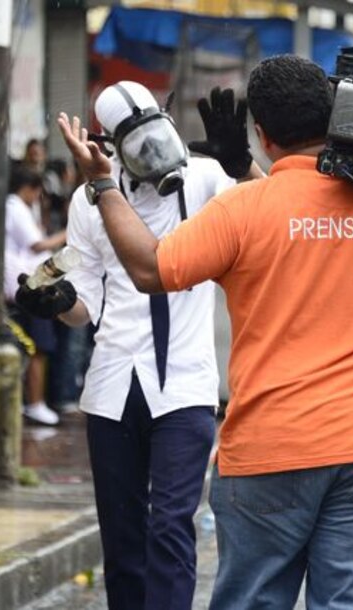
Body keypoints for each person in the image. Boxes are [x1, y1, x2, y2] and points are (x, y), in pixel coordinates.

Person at [57, 55, 353, 609]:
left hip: (269, 452)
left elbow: (151, 269)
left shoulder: (243, 210)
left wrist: (103, 184)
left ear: (262, 135)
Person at [19, 80, 259, 609]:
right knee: (122, 536)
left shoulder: (205, 179)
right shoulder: (90, 201)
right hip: (112, 385)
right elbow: (84, 306)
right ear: (108, 144)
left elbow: (272, 216)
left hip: (184, 387)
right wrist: (56, 300)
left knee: (172, 526)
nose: (152, 150)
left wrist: (242, 165)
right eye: (135, 141)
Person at [4, 167, 65, 425]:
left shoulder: (17, 207)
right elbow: (37, 244)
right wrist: (68, 233)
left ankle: (25, 402)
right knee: (38, 347)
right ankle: (35, 402)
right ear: (28, 188)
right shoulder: (15, 207)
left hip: (25, 282)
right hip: (29, 284)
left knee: (29, 347)